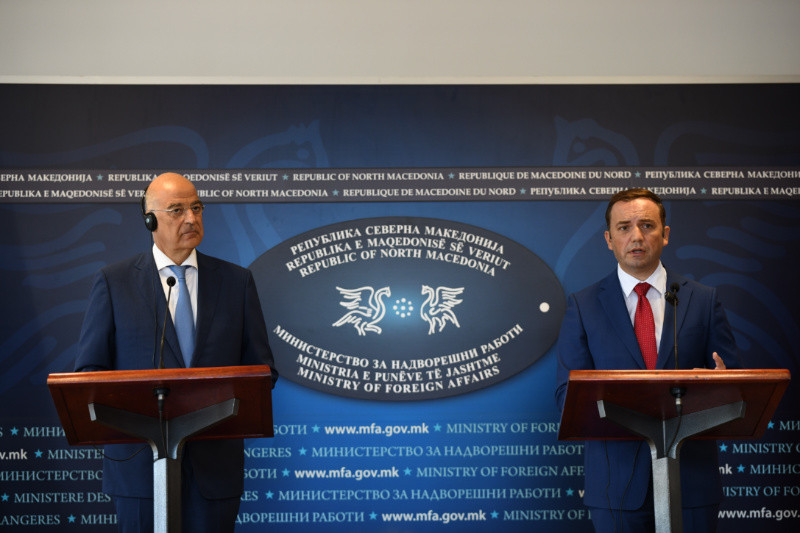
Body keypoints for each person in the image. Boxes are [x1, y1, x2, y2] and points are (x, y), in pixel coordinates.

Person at [75, 172, 277, 532]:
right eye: (177, 210)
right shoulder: (114, 282)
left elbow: (262, 371)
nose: (191, 219)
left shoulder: (236, 281)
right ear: (150, 220)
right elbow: (90, 371)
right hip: (139, 469)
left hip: (213, 470)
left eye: (196, 208)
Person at [555, 188, 741, 532]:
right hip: (616, 485)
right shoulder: (583, 305)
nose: (636, 236)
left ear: (665, 234)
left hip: (691, 480)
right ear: (609, 240)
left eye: (647, 225)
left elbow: (734, 383)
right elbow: (568, 395)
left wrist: (720, 385)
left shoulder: (702, 300)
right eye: (624, 227)